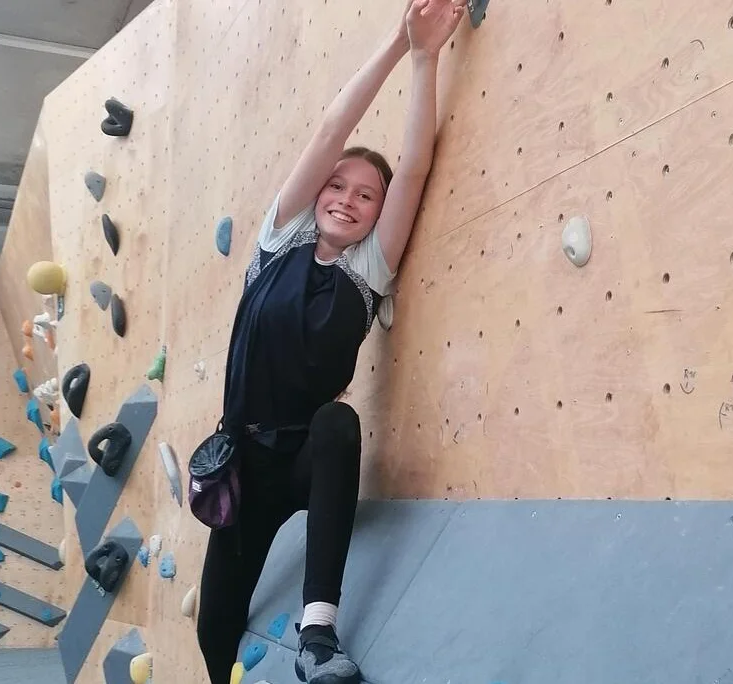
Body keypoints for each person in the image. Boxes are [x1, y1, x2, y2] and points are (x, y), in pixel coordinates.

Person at [195, 1, 465, 682]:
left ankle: (318, 634)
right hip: (245, 466)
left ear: (378, 215)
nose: (348, 198)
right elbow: (330, 131)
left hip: (306, 459)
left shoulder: (367, 271)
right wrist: (397, 43)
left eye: (366, 196)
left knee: (337, 423)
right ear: (316, 193)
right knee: (214, 629)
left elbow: (413, 169)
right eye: (337, 185)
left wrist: (427, 58)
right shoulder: (279, 238)